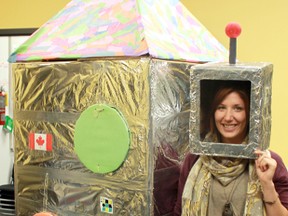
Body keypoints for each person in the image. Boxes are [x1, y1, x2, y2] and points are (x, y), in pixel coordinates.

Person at [174, 86, 288, 216]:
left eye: (237, 108)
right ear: (213, 113)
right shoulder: (195, 158)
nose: (228, 117)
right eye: (221, 108)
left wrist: (267, 184)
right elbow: (180, 211)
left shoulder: (268, 162)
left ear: (250, 114)